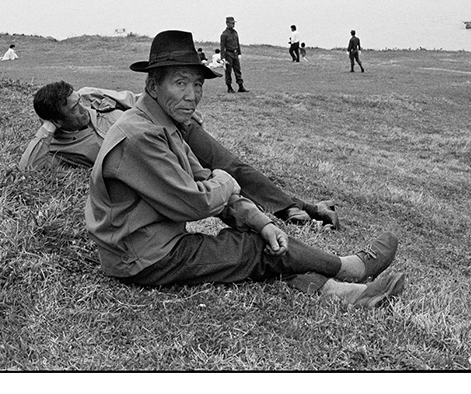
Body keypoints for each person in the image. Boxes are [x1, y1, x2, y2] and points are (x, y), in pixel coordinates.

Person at [85, 30, 405, 308]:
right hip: (143, 259)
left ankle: (340, 290)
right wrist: (226, 181)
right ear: (153, 86)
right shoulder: (140, 135)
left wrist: (262, 222)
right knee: (255, 250)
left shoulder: (164, 124)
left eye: (197, 84)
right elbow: (195, 202)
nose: (192, 96)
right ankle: (350, 269)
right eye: (180, 83)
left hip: (155, 245)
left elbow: (205, 179)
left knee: (262, 240)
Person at [19, 83, 340, 228]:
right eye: (73, 107)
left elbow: (135, 99)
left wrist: (177, 111)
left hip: (171, 130)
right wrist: (47, 129)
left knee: (230, 165)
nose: (82, 107)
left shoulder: (91, 96)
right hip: (152, 153)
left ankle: (301, 208)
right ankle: (289, 215)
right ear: (56, 120)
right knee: (210, 182)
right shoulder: (58, 144)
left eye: (79, 99)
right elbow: (27, 166)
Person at [220, 16, 248, 93]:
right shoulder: (224, 34)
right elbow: (222, 46)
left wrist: (239, 53)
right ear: (227, 23)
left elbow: (237, 43)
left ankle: (241, 86)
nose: (233, 24)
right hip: (228, 54)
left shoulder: (235, 33)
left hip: (235, 53)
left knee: (238, 70)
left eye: (233, 23)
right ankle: (229, 87)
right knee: (228, 71)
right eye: (232, 23)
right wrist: (222, 58)